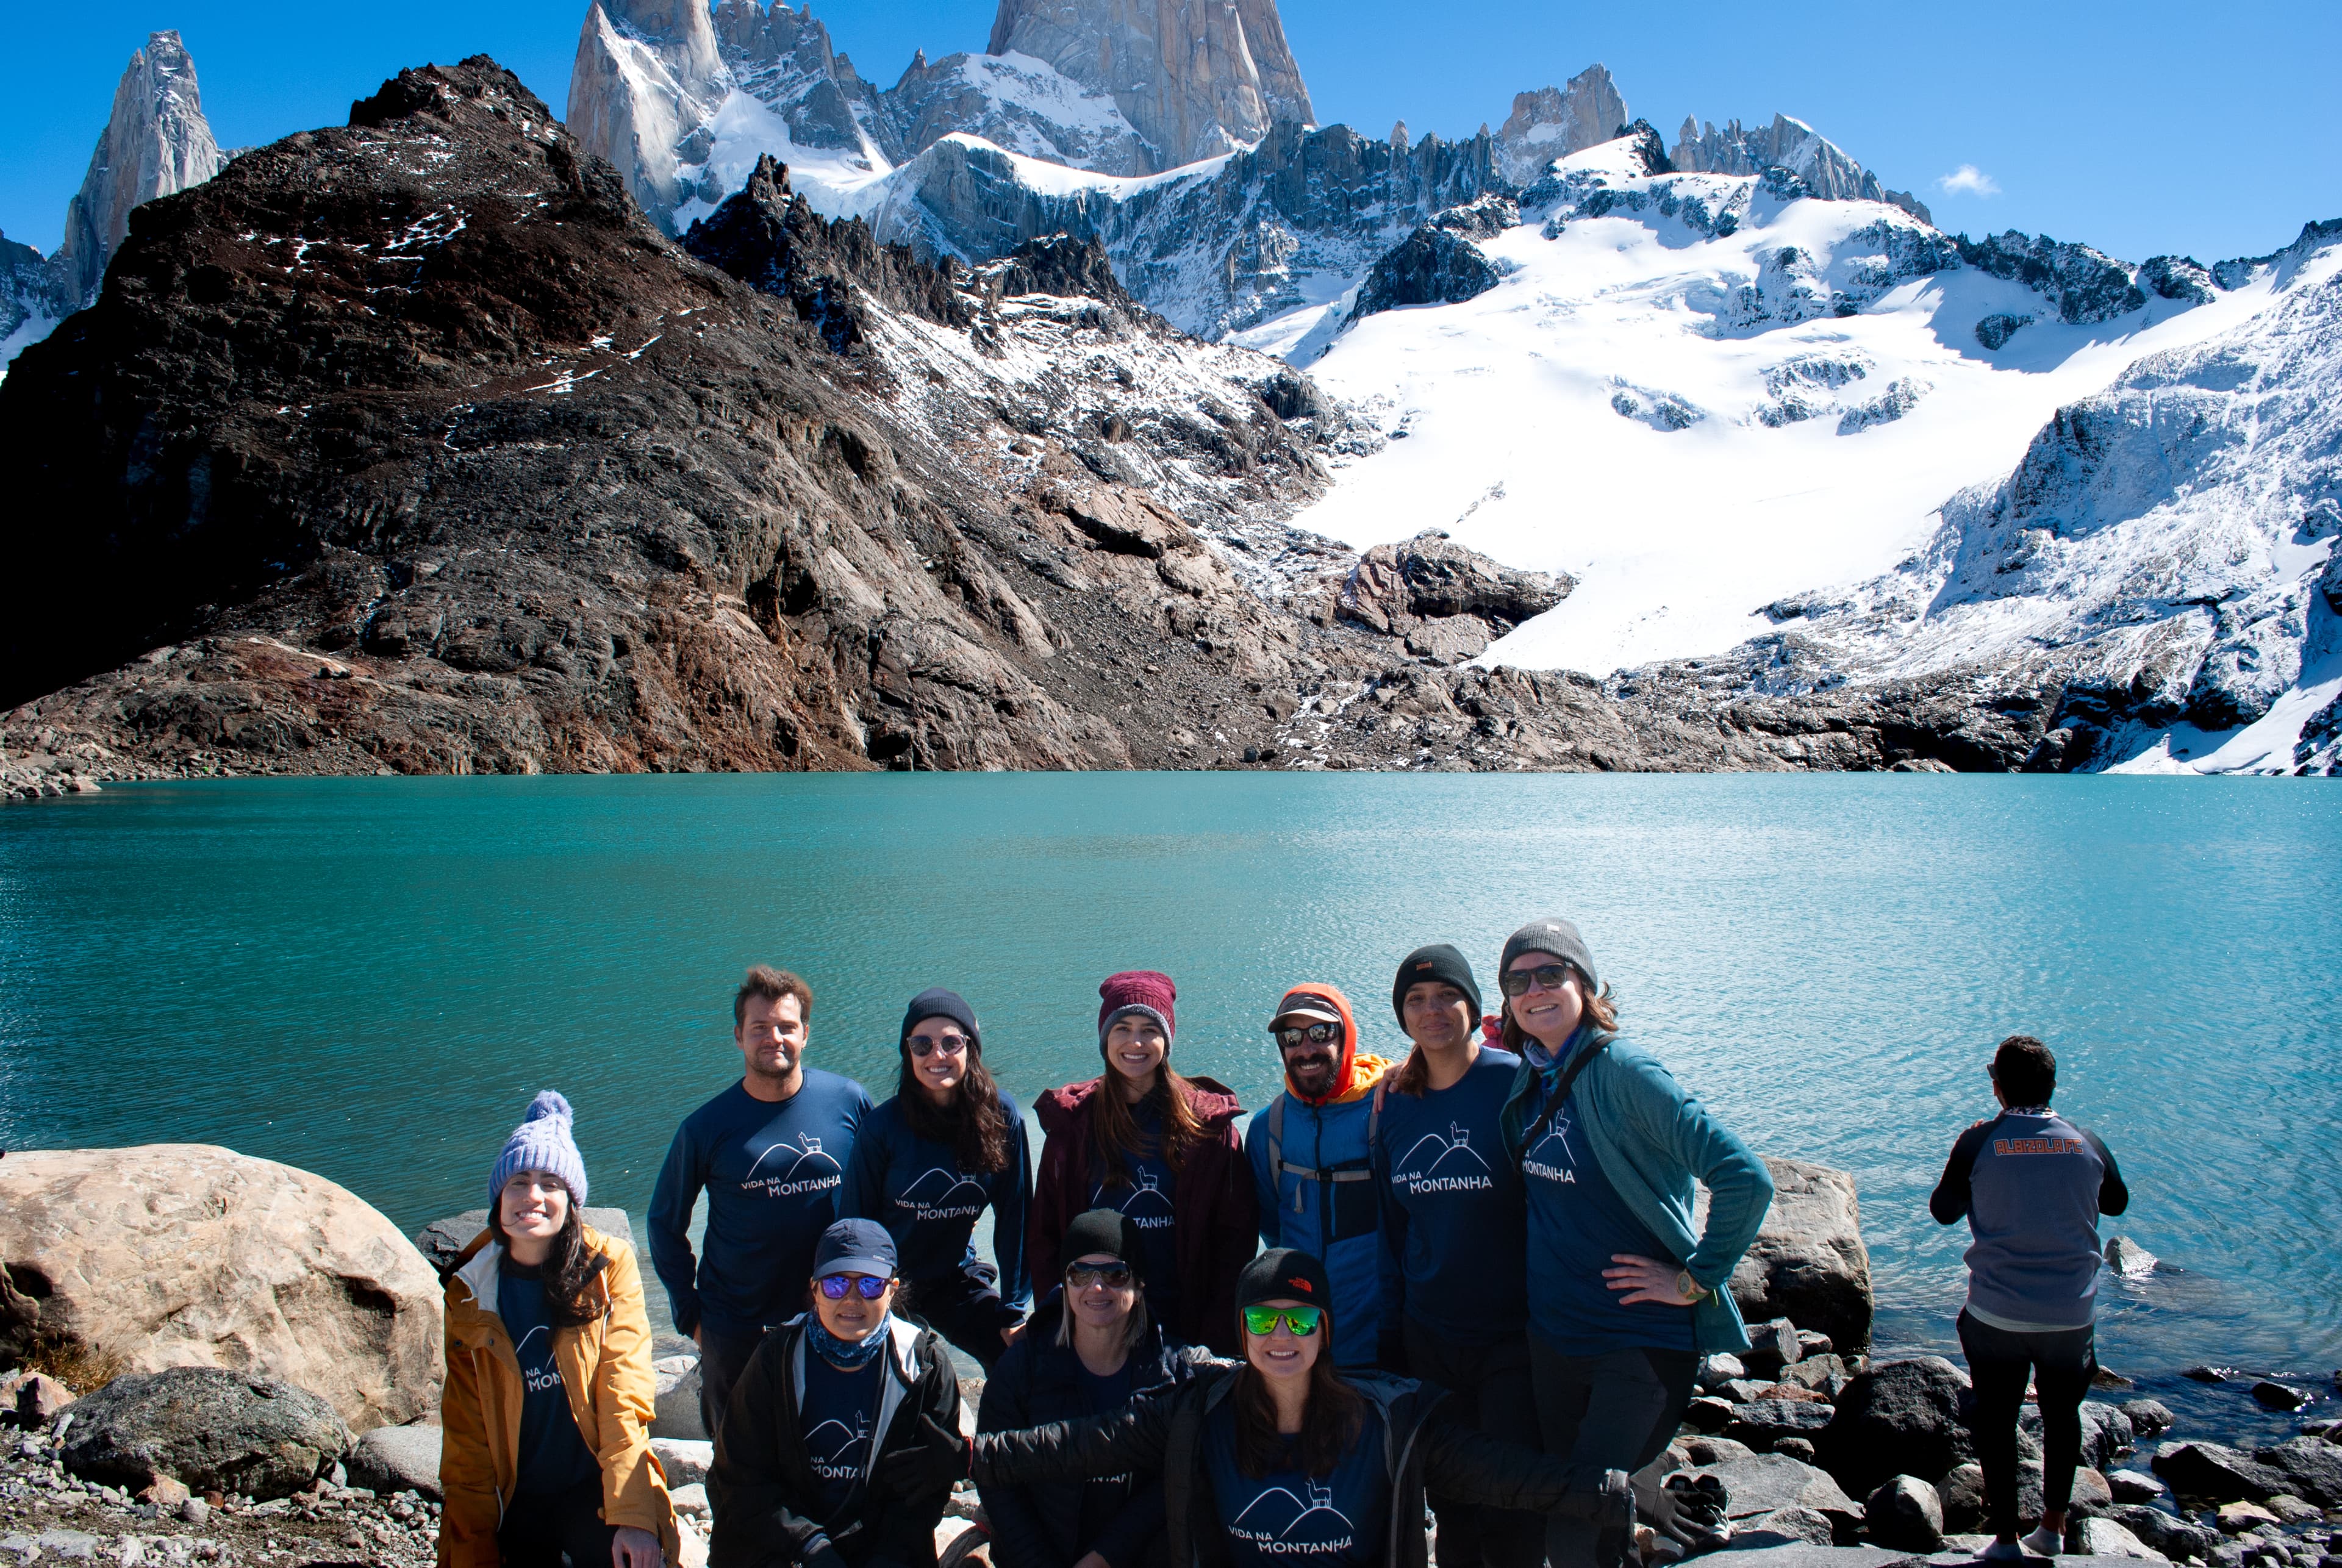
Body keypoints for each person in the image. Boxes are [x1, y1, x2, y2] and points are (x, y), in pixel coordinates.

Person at [966, 1247, 1636, 1568]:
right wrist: (977, 1455)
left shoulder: (1389, 1425)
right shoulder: (1198, 1413)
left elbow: (1504, 1476)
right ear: (1241, 1330)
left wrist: (1610, 1493)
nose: (1280, 1337)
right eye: (1261, 1321)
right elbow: (1084, 1443)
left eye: (1299, 1320)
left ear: (1326, 1329)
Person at [1494, 918, 1774, 1568]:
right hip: (1555, 1342)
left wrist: (1695, 1278)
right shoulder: (1531, 1076)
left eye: (1551, 973)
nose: (1534, 989)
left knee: (1575, 1536)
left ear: (1585, 984)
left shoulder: (1625, 1072)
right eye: (1518, 979)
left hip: (1634, 1347)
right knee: (1589, 1514)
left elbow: (1744, 1177)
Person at [440, 1092, 680, 1568]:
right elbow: (467, 1443)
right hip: (517, 1495)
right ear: (499, 1198)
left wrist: (633, 1514)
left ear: (571, 1201)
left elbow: (622, 1391)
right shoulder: (471, 1292)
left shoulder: (606, 1268)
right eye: (519, 1181)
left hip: (595, 1485)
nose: (533, 1195)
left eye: (550, 1182)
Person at [653, 967, 876, 1439]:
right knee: (738, 1461)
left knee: (831, 1444)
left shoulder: (849, 1101)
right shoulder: (706, 1127)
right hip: (737, 1327)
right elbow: (664, 1223)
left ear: (806, 1033)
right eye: (759, 1028)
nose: (773, 1038)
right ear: (739, 1036)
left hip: (834, 1312)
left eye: (786, 1027)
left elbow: (883, 1191)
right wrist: (692, 1316)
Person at [1930, 1035, 2129, 1562]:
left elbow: (1943, 1211)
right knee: (2064, 1415)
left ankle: (2004, 1540)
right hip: (2070, 1314)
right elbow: (2117, 1200)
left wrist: (1973, 1158)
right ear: (2053, 1086)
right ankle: (2054, 1528)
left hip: (1997, 1312)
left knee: (1998, 1417)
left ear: (1996, 1085)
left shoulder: (1980, 1142)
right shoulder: (2086, 1140)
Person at [1372, 945, 1536, 1568]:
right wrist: (1394, 1328)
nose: (1432, 1010)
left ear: (1473, 1005)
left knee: (1515, 1493)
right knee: (1453, 1492)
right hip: (1431, 1333)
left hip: (1513, 1335)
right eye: (1415, 1000)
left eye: (1446, 996)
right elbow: (1393, 1228)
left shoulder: (1515, 1082)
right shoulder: (1395, 1103)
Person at [707, 1219, 968, 1568]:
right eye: (835, 1284)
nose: (852, 1299)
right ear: (814, 1289)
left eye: (871, 1285)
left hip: (882, 1547)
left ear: (892, 1289)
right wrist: (811, 1547)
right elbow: (740, 1474)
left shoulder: (924, 1367)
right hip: (785, 1546)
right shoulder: (777, 1358)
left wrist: (885, 1558)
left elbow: (925, 1491)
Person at [1030, 970, 1258, 1356]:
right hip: (1095, 1326)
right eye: (1122, 1028)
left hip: (1185, 1327)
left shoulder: (1208, 1128)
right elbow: (1045, 1236)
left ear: (1167, 1039)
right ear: (1105, 1038)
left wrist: (1215, 1339)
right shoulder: (1072, 1126)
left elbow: (1234, 1241)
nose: (1135, 1042)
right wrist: (1058, 1323)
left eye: (1149, 1029)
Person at [978, 1209, 1212, 1568]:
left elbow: (1170, 1485)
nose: (1096, 1287)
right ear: (1064, 1281)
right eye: (1080, 1273)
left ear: (1139, 1283)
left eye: (1116, 1274)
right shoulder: (1022, 1368)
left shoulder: (1174, 1373)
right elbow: (998, 1483)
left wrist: (1103, 1558)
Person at [844, 987, 1034, 1373]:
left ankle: (998, 1436)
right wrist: (861, 1298)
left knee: (1018, 1362)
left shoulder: (1002, 1116)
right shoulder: (883, 1128)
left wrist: (1015, 1310)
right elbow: (853, 1223)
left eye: (952, 1042)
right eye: (922, 1044)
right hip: (889, 1283)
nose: (938, 1055)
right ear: (908, 1052)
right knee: (899, 1379)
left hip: (955, 1276)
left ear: (971, 1049)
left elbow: (1017, 1217)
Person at [1245, 984, 1395, 1371]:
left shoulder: (1388, 1109)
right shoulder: (1268, 1130)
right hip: (1300, 1344)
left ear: (1346, 1036)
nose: (1306, 1048)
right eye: (1292, 1037)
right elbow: (1272, 1230)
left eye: (1321, 1033)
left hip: (1382, 1343)